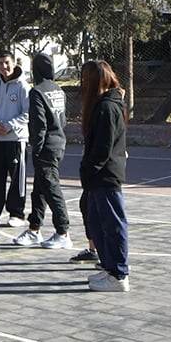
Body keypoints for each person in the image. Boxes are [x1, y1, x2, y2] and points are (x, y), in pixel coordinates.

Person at [78, 59, 130, 292]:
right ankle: (110, 268)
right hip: (97, 178)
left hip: (105, 176)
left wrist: (89, 170)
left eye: (85, 79)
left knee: (112, 224)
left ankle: (119, 274)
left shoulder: (107, 107)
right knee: (98, 223)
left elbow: (103, 148)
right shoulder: (103, 104)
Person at [15, 52, 73, 250]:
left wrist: (36, 147)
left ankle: (63, 231)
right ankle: (34, 229)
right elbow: (63, 120)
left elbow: (39, 124)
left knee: (51, 188)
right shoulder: (58, 90)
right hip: (58, 143)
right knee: (39, 190)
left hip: (46, 146)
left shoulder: (37, 92)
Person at [0, 50, 30, 227]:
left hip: (16, 140)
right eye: (0, 63)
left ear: (14, 63)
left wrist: (8, 126)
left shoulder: (23, 86)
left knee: (17, 178)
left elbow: (27, 113)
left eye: (7, 63)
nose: (4, 67)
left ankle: (16, 213)